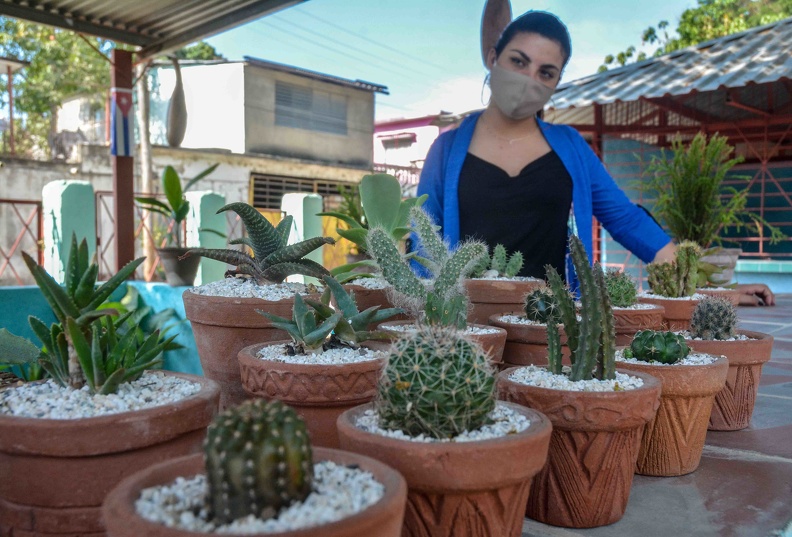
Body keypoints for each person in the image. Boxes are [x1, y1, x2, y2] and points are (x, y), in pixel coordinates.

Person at [415, 9, 775, 306]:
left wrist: (709, 289)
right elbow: (421, 243)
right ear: (493, 59)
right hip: (465, 321)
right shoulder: (446, 150)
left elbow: (625, 219)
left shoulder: (569, 146)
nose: (528, 79)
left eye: (546, 72)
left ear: (555, 84)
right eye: (518, 61)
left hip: (552, 323)